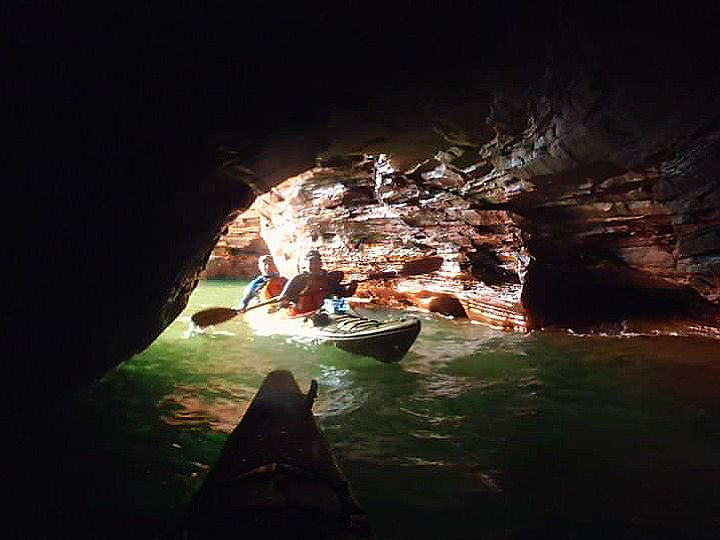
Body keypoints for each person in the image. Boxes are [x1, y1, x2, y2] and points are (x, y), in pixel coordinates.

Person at [277, 249, 358, 315]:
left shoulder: (327, 278)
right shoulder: (298, 280)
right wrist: (288, 299)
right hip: (300, 314)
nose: (314, 266)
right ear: (306, 264)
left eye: (317, 263)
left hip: (322, 313)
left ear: (321, 264)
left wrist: (353, 286)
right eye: (311, 263)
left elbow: (345, 294)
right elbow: (282, 301)